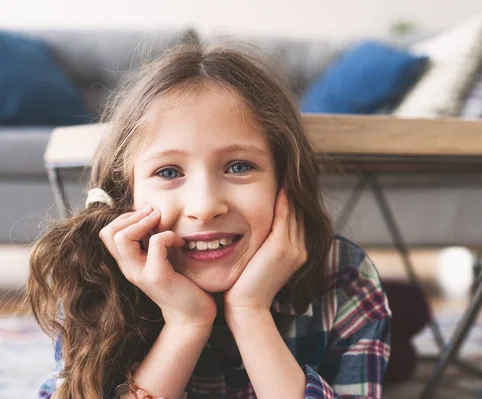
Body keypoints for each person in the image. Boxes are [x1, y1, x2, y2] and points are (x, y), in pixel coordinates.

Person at [27, 42, 391, 399]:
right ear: (128, 196)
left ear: (286, 179)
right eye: (168, 171)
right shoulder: (95, 275)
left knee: (400, 327)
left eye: (238, 166)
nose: (204, 208)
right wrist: (186, 324)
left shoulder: (345, 274)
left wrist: (250, 312)